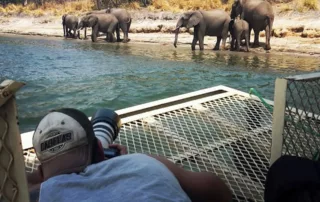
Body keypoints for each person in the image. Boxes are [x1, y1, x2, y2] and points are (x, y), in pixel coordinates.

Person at [27, 108, 232, 202]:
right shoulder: (145, 163)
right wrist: (124, 162)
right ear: (100, 150)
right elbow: (215, 187)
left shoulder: (34, 195)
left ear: (41, 172)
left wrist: (40, 179)